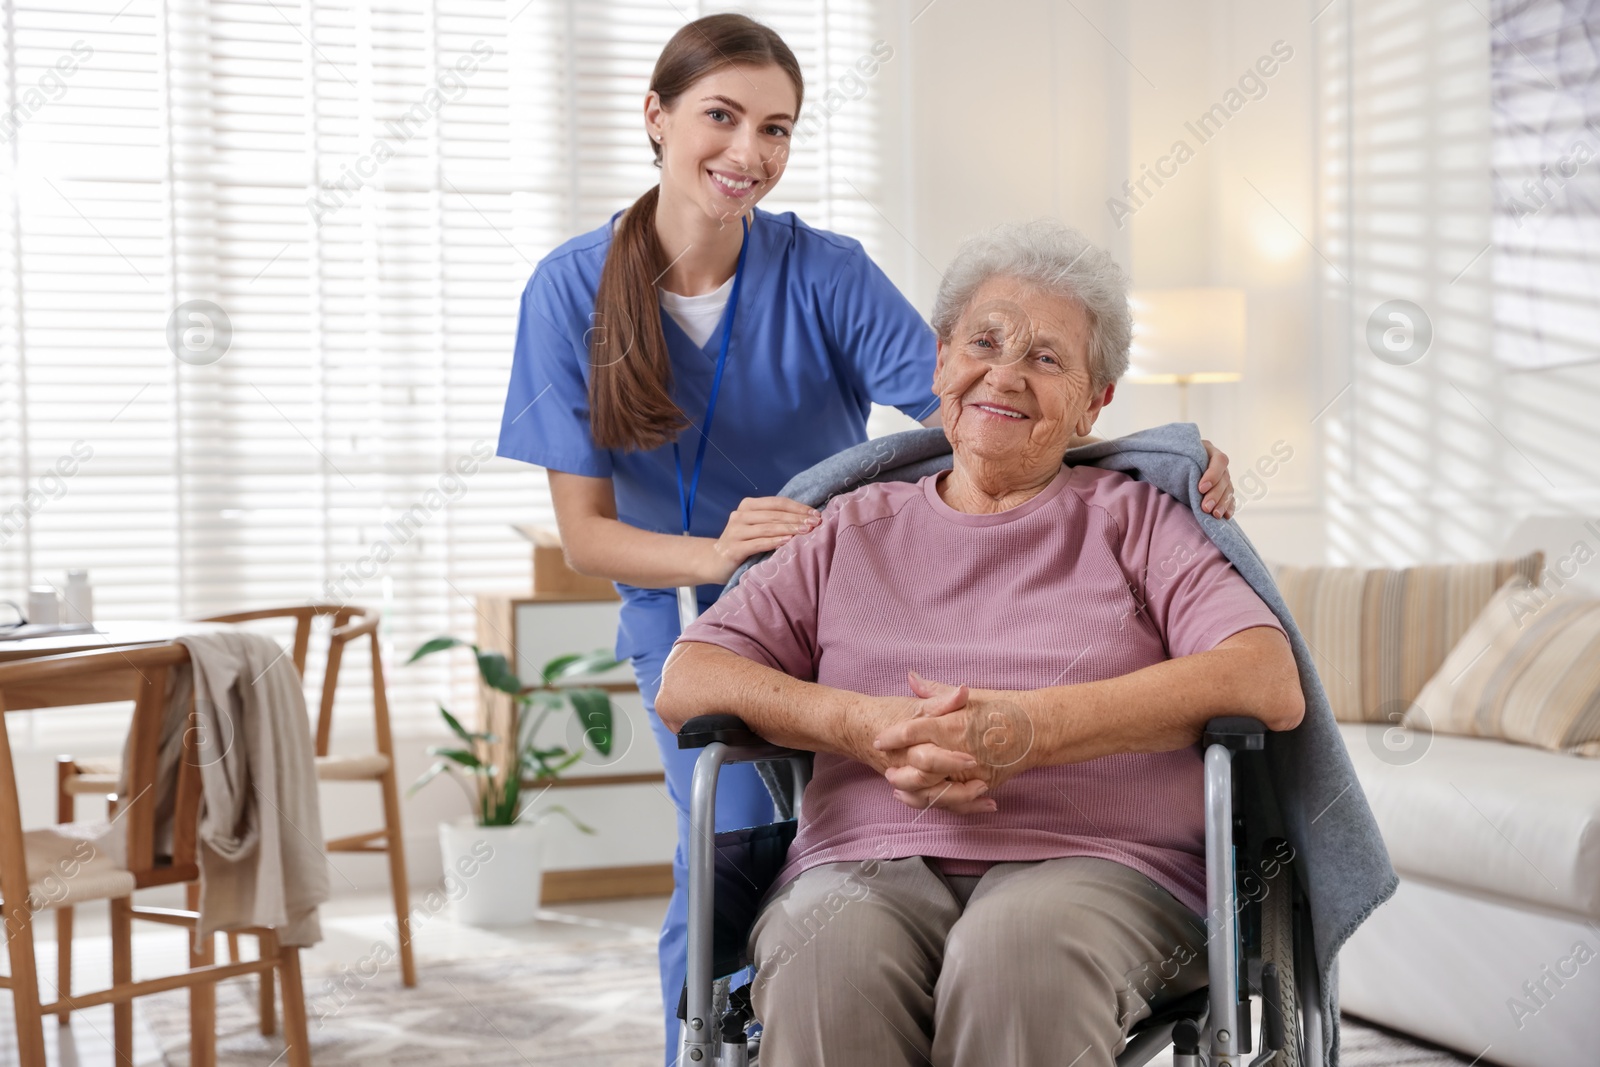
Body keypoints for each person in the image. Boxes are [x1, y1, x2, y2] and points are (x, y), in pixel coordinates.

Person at [493, 15, 1238, 1061]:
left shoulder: (823, 273)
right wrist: (716, 555)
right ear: (655, 117)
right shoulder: (572, 288)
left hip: (861, 603)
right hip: (694, 608)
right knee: (729, 856)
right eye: (721, 116)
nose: (748, 152)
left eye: (776, 128)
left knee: (882, 874)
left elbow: (975, 397)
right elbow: (587, 535)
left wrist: (1152, 458)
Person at [654, 219, 1303, 1065]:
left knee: (1017, 956)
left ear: (1095, 401)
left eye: (1046, 358)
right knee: (823, 952)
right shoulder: (850, 528)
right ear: (940, 363)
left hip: (1103, 862)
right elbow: (689, 677)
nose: (1005, 374)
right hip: (865, 857)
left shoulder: (1138, 520)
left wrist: (1029, 730)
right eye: (984, 342)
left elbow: (1265, 677)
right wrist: (862, 725)